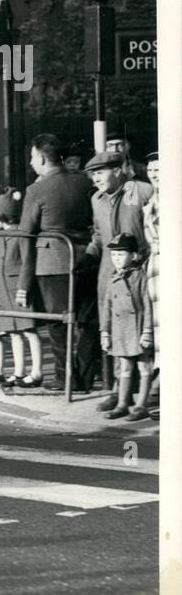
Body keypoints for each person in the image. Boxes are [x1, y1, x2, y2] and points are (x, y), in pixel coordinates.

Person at [15, 134, 97, 394]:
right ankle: (85, 377)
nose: (30, 163)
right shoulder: (84, 181)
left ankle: (65, 378)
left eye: (31, 157)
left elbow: (25, 234)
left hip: (51, 263)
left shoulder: (36, 189)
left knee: (57, 324)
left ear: (40, 157)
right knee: (86, 320)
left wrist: (23, 282)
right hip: (85, 258)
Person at [83, 150, 154, 410]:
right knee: (115, 331)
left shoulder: (141, 191)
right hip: (109, 273)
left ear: (117, 170)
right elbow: (99, 236)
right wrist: (87, 256)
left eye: (100, 173)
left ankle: (149, 391)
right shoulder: (97, 199)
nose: (96, 179)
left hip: (141, 272)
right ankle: (117, 391)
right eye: (93, 175)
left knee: (145, 328)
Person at [0, 188, 43, 388]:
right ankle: (19, 371)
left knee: (28, 330)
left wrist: (23, 288)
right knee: (13, 332)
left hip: (17, 289)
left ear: (3, 214)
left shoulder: (21, 234)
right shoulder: (0, 236)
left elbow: (28, 262)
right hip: (3, 288)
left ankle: (36, 372)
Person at [99, 233, 153, 421]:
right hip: (120, 331)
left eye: (121, 255)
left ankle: (141, 405)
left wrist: (147, 332)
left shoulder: (140, 277)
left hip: (137, 329)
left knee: (144, 366)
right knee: (125, 368)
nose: (116, 259)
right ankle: (122, 403)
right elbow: (107, 308)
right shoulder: (113, 278)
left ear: (134, 256)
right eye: (113, 255)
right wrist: (105, 332)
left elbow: (147, 306)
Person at [140, 151, 160, 412]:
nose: (155, 174)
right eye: (151, 169)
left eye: (159, 169)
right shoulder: (152, 199)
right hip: (155, 270)